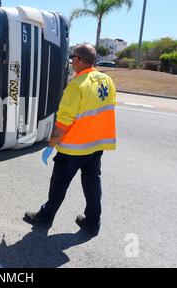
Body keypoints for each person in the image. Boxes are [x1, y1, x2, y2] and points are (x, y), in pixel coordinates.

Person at [24, 44, 117, 236]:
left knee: (59, 184)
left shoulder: (77, 85)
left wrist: (51, 144)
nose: (71, 60)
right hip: (96, 145)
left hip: (73, 148)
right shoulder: (107, 80)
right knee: (92, 183)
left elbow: (64, 121)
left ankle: (46, 216)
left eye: (73, 57)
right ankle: (92, 222)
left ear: (81, 60)